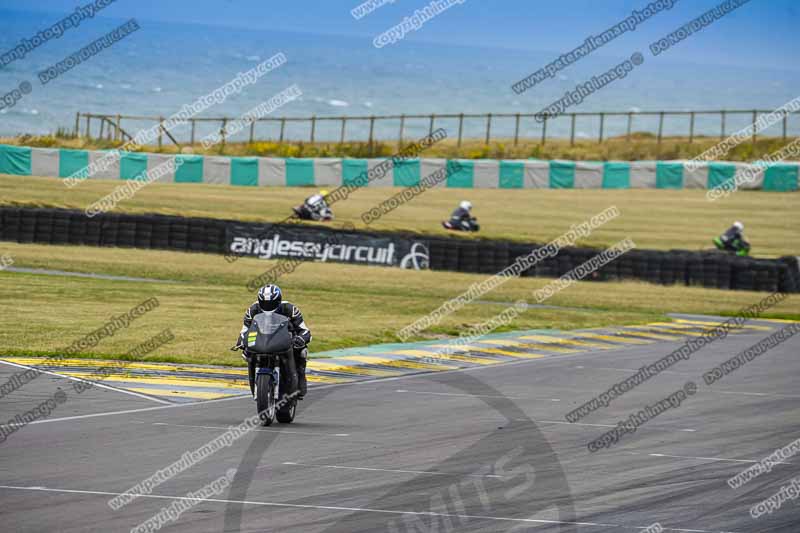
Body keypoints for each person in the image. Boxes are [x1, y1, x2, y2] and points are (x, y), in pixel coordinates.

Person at [234, 284, 312, 400]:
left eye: (271, 303)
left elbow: (304, 330)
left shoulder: (290, 309)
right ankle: (255, 381)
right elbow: (244, 330)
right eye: (265, 303)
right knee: (246, 353)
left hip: (285, 341)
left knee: (302, 352)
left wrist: (300, 339)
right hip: (262, 341)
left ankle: (300, 378)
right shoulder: (253, 310)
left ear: (278, 300)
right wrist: (241, 341)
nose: (268, 306)